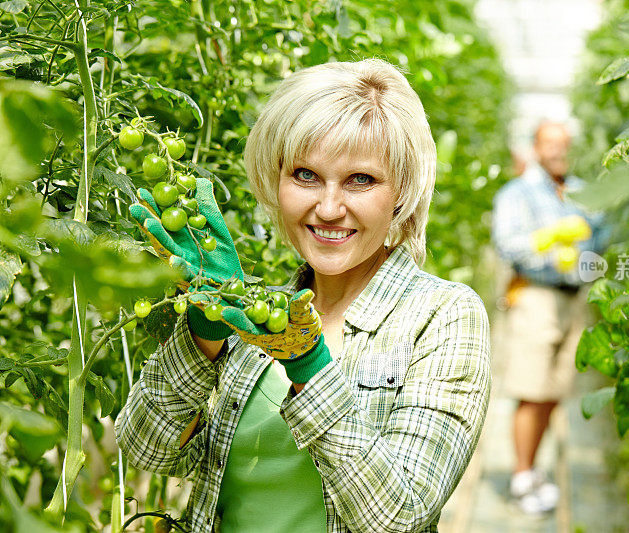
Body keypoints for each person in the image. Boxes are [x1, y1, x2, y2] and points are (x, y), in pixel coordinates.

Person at [115, 59, 491, 533]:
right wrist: (204, 330)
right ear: (276, 181)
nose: (329, 208)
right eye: (306, 175)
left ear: (401, 193)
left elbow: (400, 515)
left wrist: (308, 366)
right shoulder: (256, 310)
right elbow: (146, 446)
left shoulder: (443, 316)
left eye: (361, 180)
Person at [491, 120, 606, 516]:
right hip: (535, 298)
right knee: (530, 391)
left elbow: (599, 234)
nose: (559, 152)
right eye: (551, 145)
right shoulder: (517, 193)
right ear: (536, 147)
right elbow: (507, 243)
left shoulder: (579, 192)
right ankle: (522, 477)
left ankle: (533, 470)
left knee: (553, 391)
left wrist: (590, 256)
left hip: (572, 299)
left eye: (564, 145)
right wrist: (548, 242)